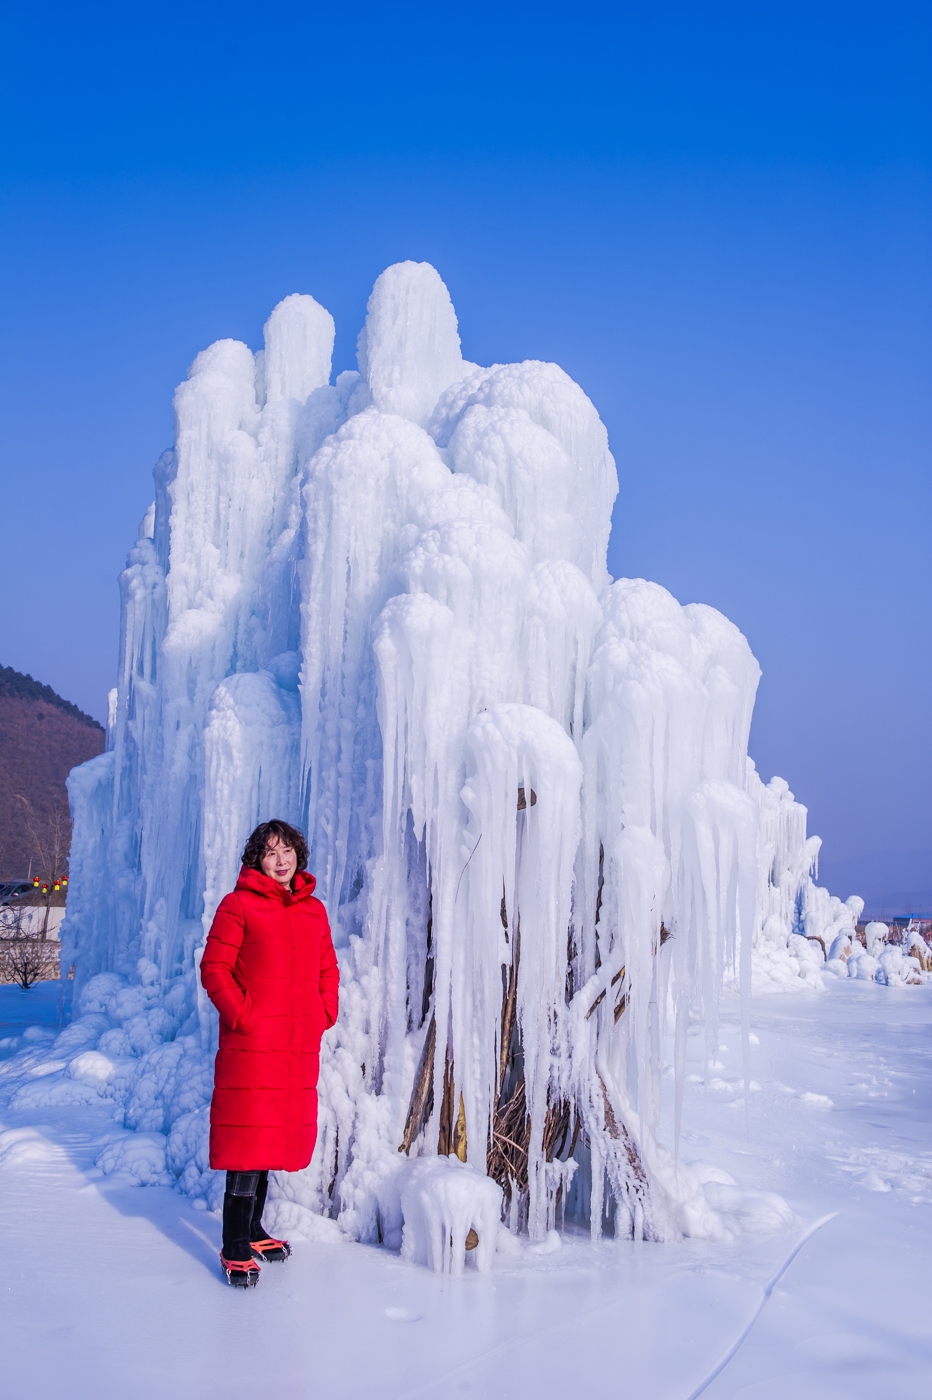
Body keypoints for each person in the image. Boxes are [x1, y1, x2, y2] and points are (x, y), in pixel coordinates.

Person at [200, 819, 339, 1287]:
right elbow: (214, 969)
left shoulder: (313, 912)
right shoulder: (238, 905)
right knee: (246, 1142)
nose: (281, 861)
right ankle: (234, 1243)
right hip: (254, 1046)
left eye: (287, 852)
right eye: (270, 853)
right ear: (256, 859)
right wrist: (244, 1017)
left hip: (296, 1045)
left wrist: (324, 1012)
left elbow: (327, 968)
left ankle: (254, 1230)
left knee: (270, 1139)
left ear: (298, 855)